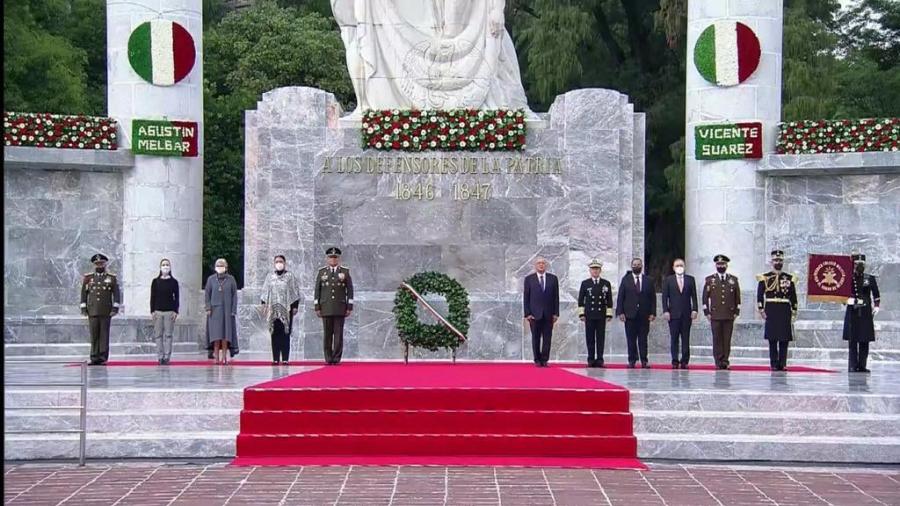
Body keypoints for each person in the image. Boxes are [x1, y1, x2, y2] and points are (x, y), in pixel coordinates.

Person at [756, 250, 798, 372]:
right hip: (771, 309)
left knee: (784, 338)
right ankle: (774, 363)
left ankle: (783, 363)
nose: (778, 262)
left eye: (780, 260)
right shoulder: (765, 277)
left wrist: (794, 309)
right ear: (771, 261)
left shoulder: (789, 278)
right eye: (775, 260)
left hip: (784, 309)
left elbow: (793, 296)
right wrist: (761, 309)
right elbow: (760, 295)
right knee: (772, 338)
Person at [314, 247, 354, 365]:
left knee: (338, 334)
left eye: (335, 257)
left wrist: (349, 306)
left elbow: (350, 290)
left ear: (338, 258)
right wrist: (317, 306)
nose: (333, 260)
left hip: (339, 307)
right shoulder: (322, 272)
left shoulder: (344, 272)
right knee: (327, 334)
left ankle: (336, 358)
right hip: (326, 307)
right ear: (327, 259)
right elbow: (317, 290)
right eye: (331, 257)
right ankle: (328, 357)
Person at [80, 253, 121, 365]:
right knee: (94, 335)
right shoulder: (89, 278)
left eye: (101, 263)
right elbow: (84, 293)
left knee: (104, 334)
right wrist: (83, 307)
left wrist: (115, 308)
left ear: (105, 264)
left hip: (105, 310)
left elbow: (116, 294)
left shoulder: (111, 278)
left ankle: (102, 357)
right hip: (92, 310)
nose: (99, 266)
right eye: (97, 264)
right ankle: (94, 357)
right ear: (94, 265)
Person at [702, 254, 741, 370]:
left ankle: (725, 360)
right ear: (715, 265)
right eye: (719, 264)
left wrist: (736, 311)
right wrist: (706, 312)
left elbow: (737, 298)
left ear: (726, 265)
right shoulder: (710, 280)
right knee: (717, 338)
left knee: (727, 339)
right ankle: (718, 361)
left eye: (723, 264)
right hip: (715, 314)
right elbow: (705, 297)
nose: (721, 266)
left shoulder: (733, 280)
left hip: (729, 314)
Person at [261, 255, 302, 365]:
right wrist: (264, 304)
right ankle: (275, 358)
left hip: (286, 309)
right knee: (274, 332)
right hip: (273, 309)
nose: (279, 263)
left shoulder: (290, 277)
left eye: (281, 261)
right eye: (277, 261)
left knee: (285, 333)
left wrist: (295, 306)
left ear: (285, 263)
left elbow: (295, 292)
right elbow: (265, 291)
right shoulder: (270, 277)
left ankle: (285, 358)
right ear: (274, 263)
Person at [843, 253, 880, 373]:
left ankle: (862, 365)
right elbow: (842, 294)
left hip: (865, 312)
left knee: (865, 339)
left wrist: (877, 306)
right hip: (853, 311)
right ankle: (853, 365)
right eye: (857, 264)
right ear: (853, 265)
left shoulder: (869, 278)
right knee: (853, 340)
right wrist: (847, 300)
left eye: (862, 264)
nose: (860, 266)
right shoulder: (848, 278)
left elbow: (876, 294)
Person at [616, 258, 656, 368]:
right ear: (631, 266)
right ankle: (632, 360)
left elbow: (653, 298)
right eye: (634, 264)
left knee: (643, 339)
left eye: (638, 264)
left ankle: (644, 360)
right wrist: (620, 312)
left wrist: (653, 313)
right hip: (629, 314)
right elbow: (621, 297)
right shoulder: (626, 280)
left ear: (642, 266)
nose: (636, 266)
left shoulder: (648, 280)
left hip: (644, 315)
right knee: (631, 339)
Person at [662, 258, 699, 369]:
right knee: (674, 338)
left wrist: (695, 309)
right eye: (677, 265)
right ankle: (674, 360)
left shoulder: (690, 279)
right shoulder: (669, 280)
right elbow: (665, 297)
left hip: (686, 314)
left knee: (685, 338)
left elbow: (694, 296)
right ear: (673, 268)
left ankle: (684, 361)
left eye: (681, 265)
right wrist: (665, 311)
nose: (679, 267)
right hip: (673, 314)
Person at [523, 257, 559, 367]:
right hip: (534, 315)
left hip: (549, 314)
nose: (541, 265)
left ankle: (545, 359)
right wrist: (527, 313)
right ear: (535, 265)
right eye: (539, 263)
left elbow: (556, 297)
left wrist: (556, 313)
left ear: (546, 265)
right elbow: (526, 297)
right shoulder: (529, 279)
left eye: (543, 263)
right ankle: (537, 359)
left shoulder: (553, 279)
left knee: (547, 338)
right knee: (536, 338)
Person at [577, 258, 613, 368]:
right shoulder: (585, 283)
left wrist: (609, 314)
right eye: (593, 269)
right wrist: (581, 314)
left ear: (600, 270)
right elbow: (580, 299)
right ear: (590, 271)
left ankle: (600, 359)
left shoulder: (605, 283)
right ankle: (591, 359)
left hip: (601, 315)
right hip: (589, 315)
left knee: (600, 338)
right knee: (590, 338)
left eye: (597, 269)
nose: (595, 271)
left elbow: (609, 300)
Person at [205, 258, 239, 365]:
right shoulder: (211, 279)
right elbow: (207, 294)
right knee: (216, 336)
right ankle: (216, 358)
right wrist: (208, 307)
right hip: (214, 311)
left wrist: (233, 310)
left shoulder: (231, 279)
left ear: (226, 267)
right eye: (218, 265)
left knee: (225, 335)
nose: (220, 267)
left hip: (227, 311)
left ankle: (224, 357)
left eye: (222, 265)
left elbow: (234, 296)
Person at [150, 258, 180, 365]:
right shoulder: (155, 282)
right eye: (163, 265)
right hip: (158, 311)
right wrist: (152, 311)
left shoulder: (174, 282)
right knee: (158, 335)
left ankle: (167, 356)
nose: (165, 266)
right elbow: (152, 297)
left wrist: (176, 311)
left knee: (168, 335)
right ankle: (160, 356)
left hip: (169, 312)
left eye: (167, 265)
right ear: (160, 267)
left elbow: (176, 297)